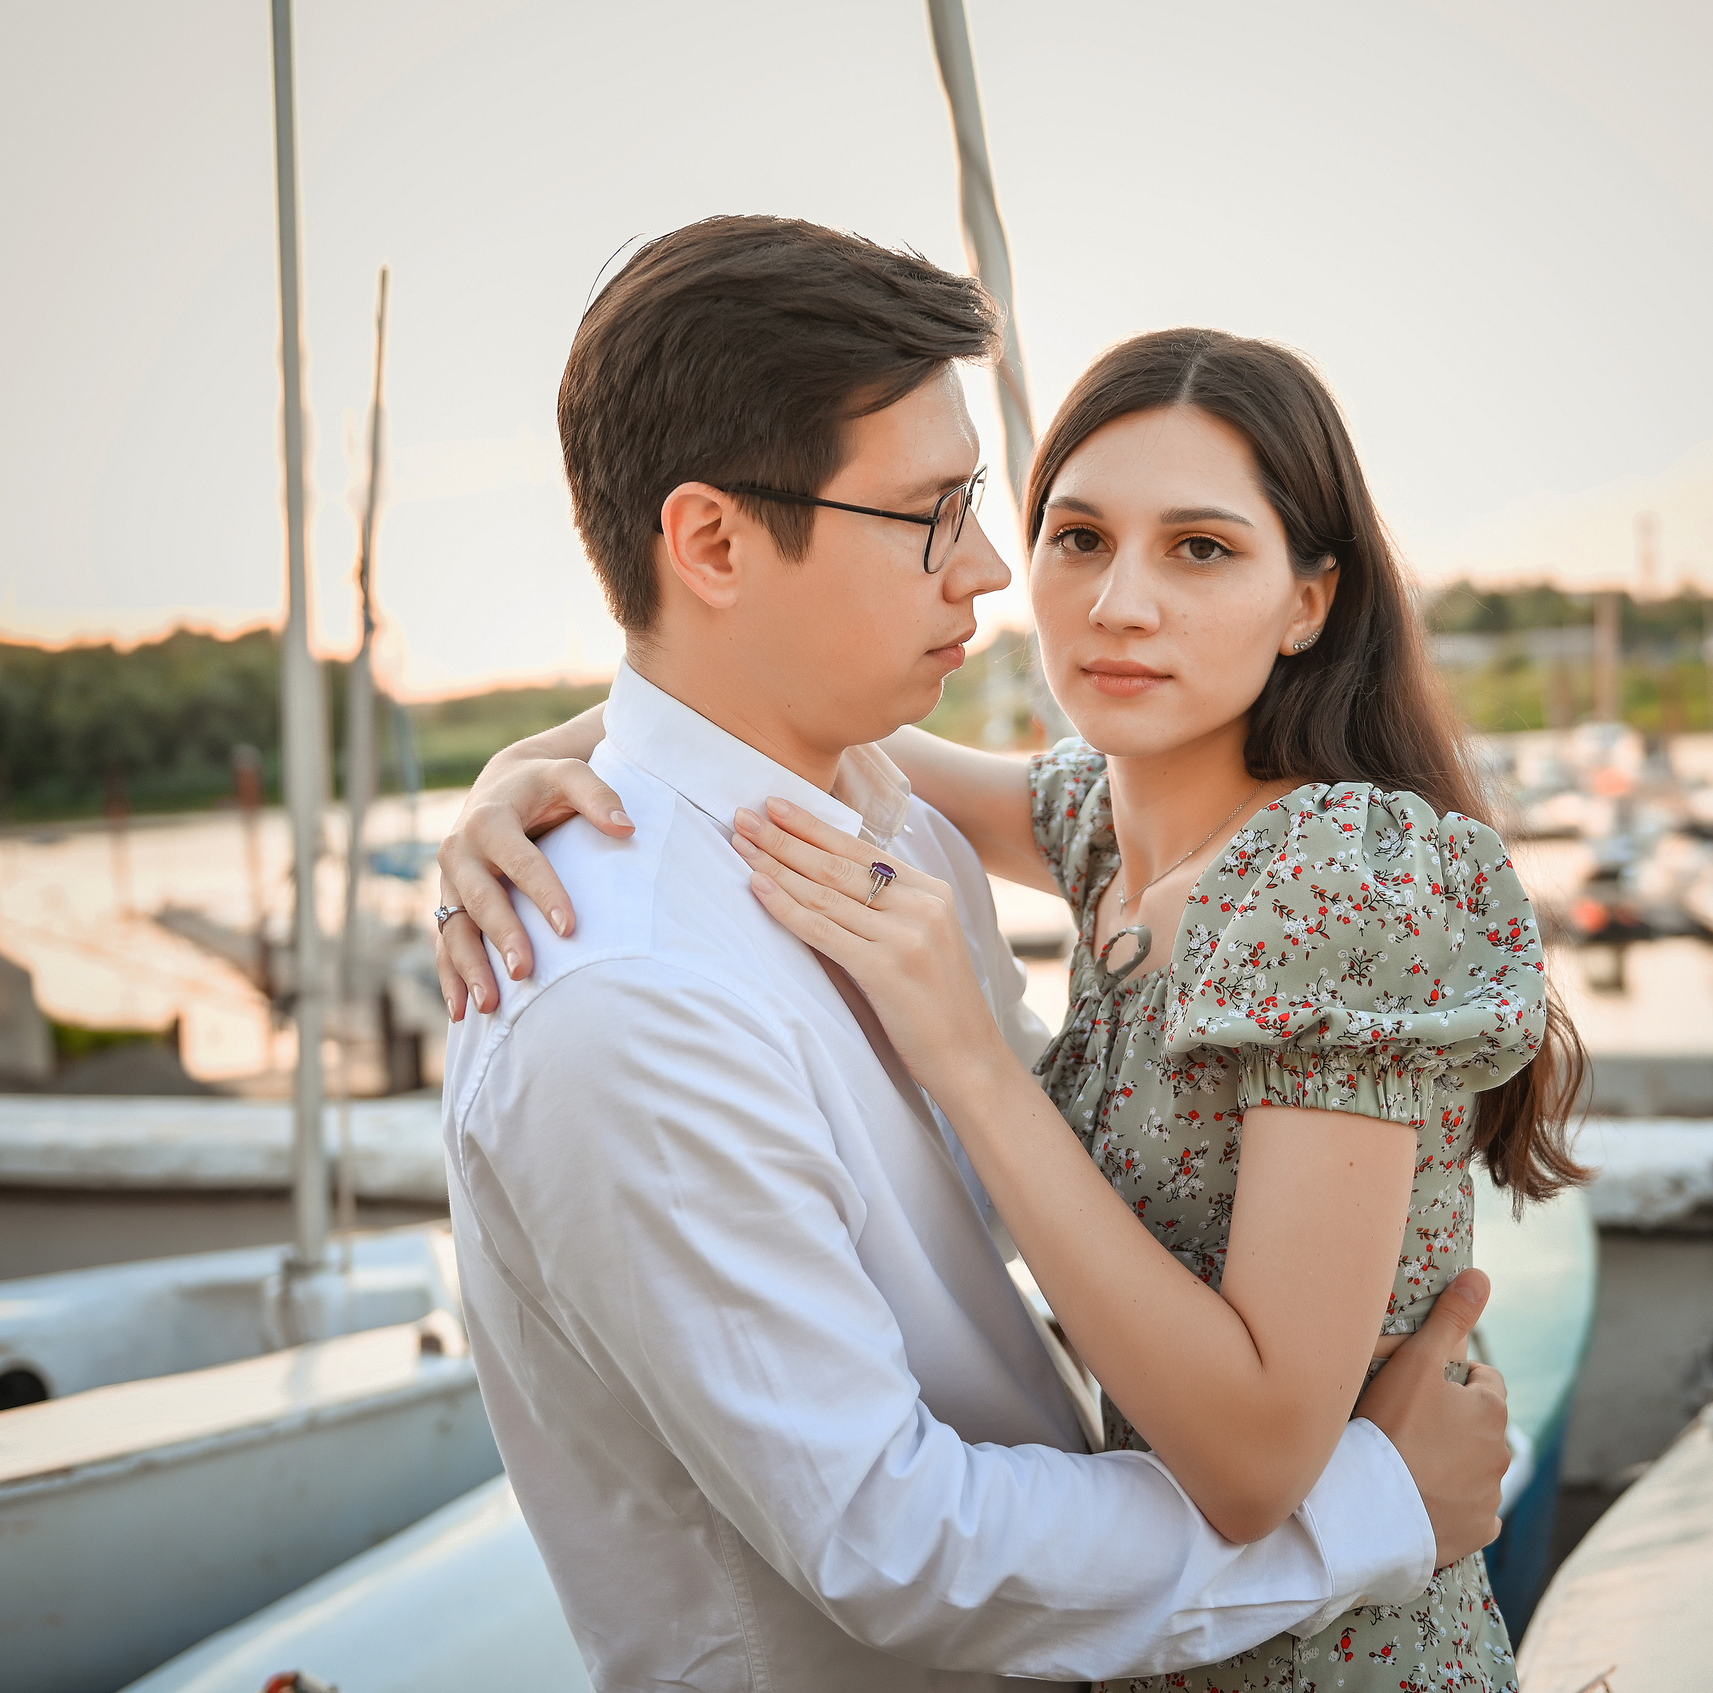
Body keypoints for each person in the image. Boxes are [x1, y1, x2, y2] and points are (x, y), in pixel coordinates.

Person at [441, 293, 1589, 1692]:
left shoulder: (1335, 879)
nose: (1084, 595)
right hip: (1188, 1623)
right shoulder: (1043, 828)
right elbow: (702, 715)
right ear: (714, 544)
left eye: (1204, 549)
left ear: (1313, 598)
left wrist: (973, 1056)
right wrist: (515, 774)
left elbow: (1256, 1455)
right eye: (1071, 535)